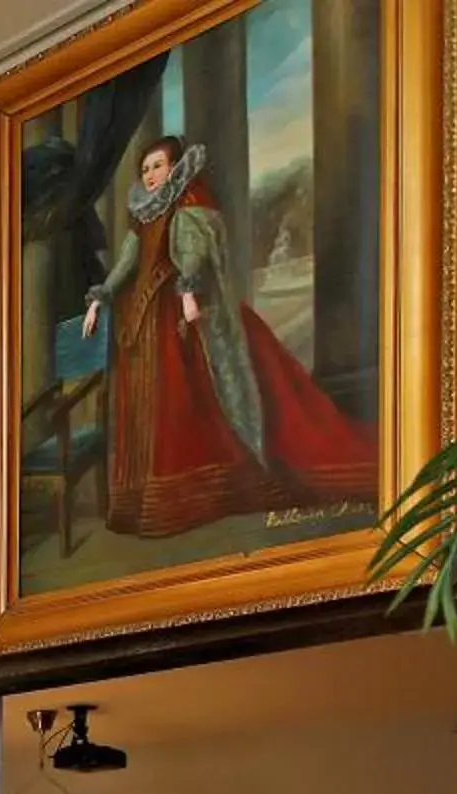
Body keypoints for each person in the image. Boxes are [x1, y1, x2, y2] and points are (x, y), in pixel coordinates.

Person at [78, 135, 373, 538]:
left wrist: (187, 295)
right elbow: (128, 262)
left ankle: (208, 490)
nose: (150, 175)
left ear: (175, 167)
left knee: (193, 400)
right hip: (145, 326)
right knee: (157, 408)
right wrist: (101, 298)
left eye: (158, 166)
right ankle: (148, 502)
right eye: (145, 169)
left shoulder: (187, 207)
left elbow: (193, 256)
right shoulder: (144, 217)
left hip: (183, 320)